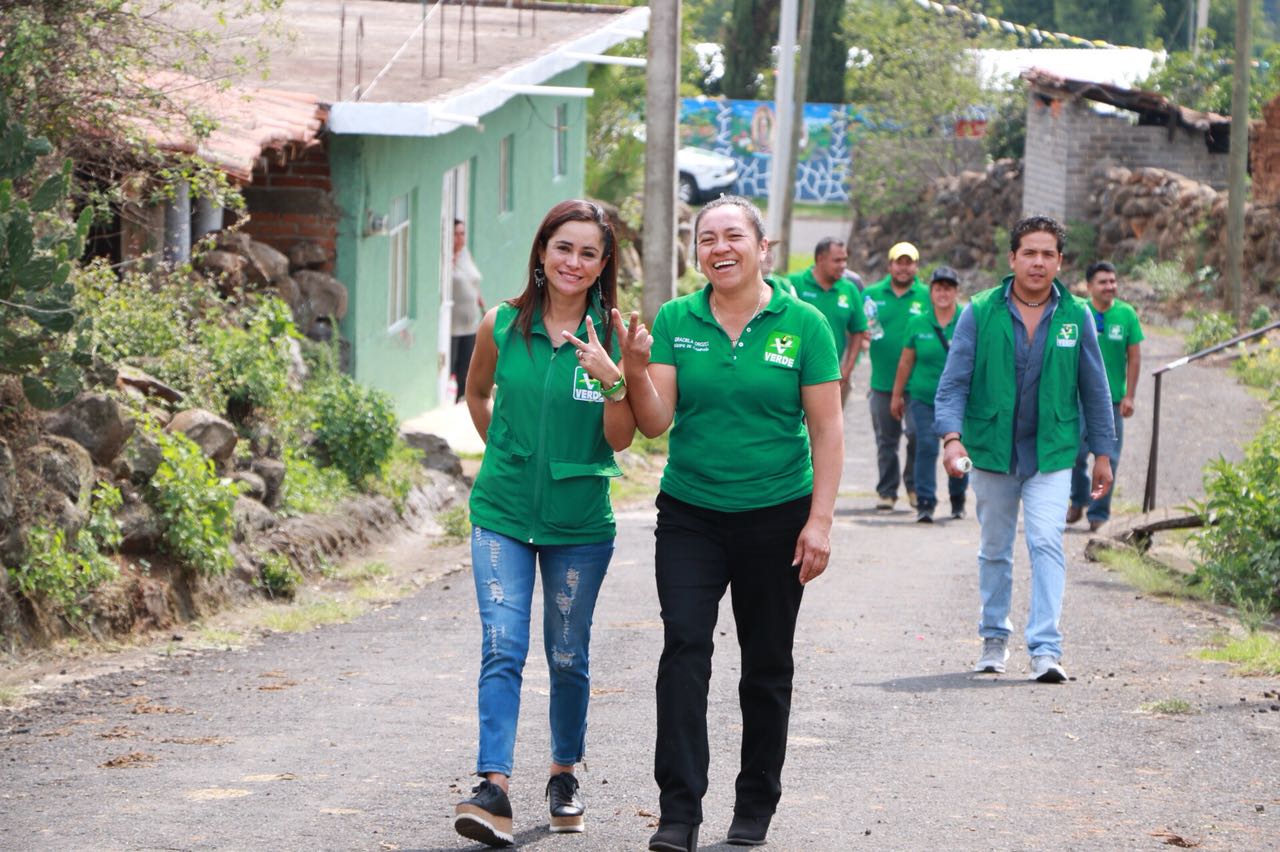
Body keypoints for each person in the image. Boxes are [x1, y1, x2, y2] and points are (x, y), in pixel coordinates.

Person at [617, 195, 843, 851]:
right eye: (707, 238)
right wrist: (634, 369)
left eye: (733, 235)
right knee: (684, 651)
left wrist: (820, 522)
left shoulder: (803, 323)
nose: (720, 247)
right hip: (690, 513)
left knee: (766, 666)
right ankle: (679, 814)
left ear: (762, 247)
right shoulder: (676, 319)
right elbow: (656, 421)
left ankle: (753, 811)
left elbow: (827, 431)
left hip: (777, 517)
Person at [455, 200, 636, 847]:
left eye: (589, 253)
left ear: (602, 265)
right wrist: (501, 451)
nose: (574, 262)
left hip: (579, 522)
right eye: (564, 247)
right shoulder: (500, 325)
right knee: (502, 646)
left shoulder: (613, 336)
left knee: (566, 652)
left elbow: (624, 437)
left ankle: (564, 775)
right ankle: (493, 787)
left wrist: (614, 381)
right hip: (501, 512)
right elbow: (476, 394)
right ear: (541, 251)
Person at [935, 216, 1115, 683]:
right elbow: (953, 383)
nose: (1038, 262)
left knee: (1046, 542)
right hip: (992, 450)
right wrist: (951, 439)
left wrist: (1102, 452)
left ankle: (1046, 649)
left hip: (1053, 451)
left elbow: (1095, 390)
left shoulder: (1076, 317)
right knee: (995, 547)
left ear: (1060, 262)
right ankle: (994, 638)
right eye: (1029, 253)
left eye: (1048, 254)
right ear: (1012, 258)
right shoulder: (980, 311)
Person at [1067, 261, 1143, 531]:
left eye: (1113, 281)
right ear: (1089, 287)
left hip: (1111, 401)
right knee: (1074, 453)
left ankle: (1098, 513)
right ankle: (1077, 499)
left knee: (1108, 457)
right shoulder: (1077, 312)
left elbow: (1133, 357)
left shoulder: (1126, 314)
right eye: (1103, 282)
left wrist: (1129, 396)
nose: (1110, 286)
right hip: (1075, 400)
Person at [890, 266, 968, 523]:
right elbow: (905, 362)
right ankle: (925, 501)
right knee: (925, 445)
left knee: (958, 448)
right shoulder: (918, 322)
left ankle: (958, 498)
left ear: (956, 291)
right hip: (923, 397)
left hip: (959, 400)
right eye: (938, 288)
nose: (943, 293)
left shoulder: (967, 321)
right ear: (931, 292)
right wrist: (897, 395)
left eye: (948, 288)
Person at [863, 241, 929, 510]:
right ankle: (887, 491)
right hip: (882, 382)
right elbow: (860, 325)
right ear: (890, 265)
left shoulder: (926, 295)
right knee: (886, 441)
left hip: (917, 383)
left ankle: (913, 486)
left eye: (909, 262)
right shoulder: (871, 294)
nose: (904, 268)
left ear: (916, 266)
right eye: (899, 262)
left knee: (917, 435)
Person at [790, 237, 868, 406]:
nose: (843, 265)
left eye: (845, 260)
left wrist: (847, 368)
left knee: (826, 427)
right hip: (794, 371)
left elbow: (858, 330)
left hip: (831, 373)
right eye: (837, 260)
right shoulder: (795, 283)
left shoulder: (850, 289)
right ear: (820, 259)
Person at [450, 219, 486, 403]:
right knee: (451, 367)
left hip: (471, 322)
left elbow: (471, 279)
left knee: (467, 365)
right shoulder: (446, 258)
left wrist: (478, 298)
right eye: (456, 234)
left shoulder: (465, 254)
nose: (460, 238)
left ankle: (461, 400)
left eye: (462, 233)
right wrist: (451, 260)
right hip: (451, 326)